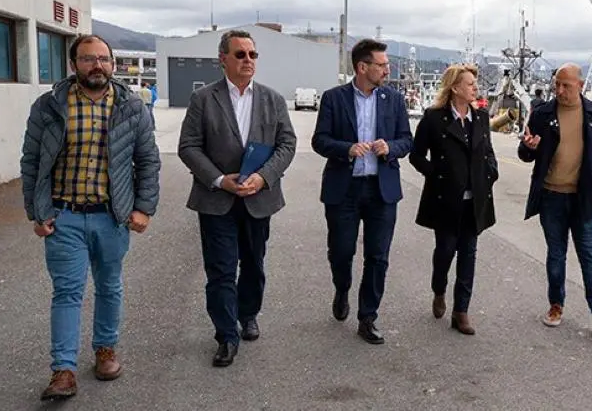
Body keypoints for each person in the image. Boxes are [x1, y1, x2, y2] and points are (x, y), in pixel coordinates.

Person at [20, 34, 160, 400]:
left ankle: (105, 349)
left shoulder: (131, 107)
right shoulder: (49, 105)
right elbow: (32, 162)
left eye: (103, 59)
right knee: (67, 292)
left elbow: (147, 160)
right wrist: (37, 212)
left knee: (109, 285)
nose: (97, 65)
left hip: (111, 217)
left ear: (113, 64)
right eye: (88, 59)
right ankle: (63, 370)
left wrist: (143, 207)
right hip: (64, 215)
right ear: (73, 65)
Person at [177, 30, 297, 367]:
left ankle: (248, 314)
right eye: (241, 54)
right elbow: (188, 146)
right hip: (217, 200)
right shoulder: (204, 99)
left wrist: (262, 177)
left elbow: (287, 144)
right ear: (223, 59)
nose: (248, 60)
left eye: (253, 55)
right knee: (221, 271)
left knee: (254, 265)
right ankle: (226, 334)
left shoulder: (273, 100)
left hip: (259, 199)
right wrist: (219, 180)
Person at [311, 38, 413, 345]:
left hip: (381, 190)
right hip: (345, 189)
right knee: (341, 252)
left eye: (386, 64)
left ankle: (368, 316)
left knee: (378, 256)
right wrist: (347, 149)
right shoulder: (334, 98)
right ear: (362, 67)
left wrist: (390, 147)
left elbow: (407, 140)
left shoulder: (393, 99)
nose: (387, 69)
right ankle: (342, 288)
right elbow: (320, 140)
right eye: (382, 65)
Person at [517, 63, 592, 333]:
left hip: (584, 198)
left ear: (580, 85)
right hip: (552, 196)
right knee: (556, 254)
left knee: (589, 254)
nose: (560, 90)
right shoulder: (542, 113)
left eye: (566, 85)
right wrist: (529, 147)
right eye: (557, 85)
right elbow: (525, 154)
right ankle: (556, 304)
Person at [410, 65, 497, 335]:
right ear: (455, 88)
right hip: (446, 199)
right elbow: (416, 155)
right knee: (446, 250)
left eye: (475, 84)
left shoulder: (481, 118)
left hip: (475, 200)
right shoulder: (434, 119)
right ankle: (439, 290)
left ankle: (462, 311)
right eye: (470, 84)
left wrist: (492, 172)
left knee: (469, 254)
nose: (475, 88)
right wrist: (435, 175)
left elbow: (488, 151)